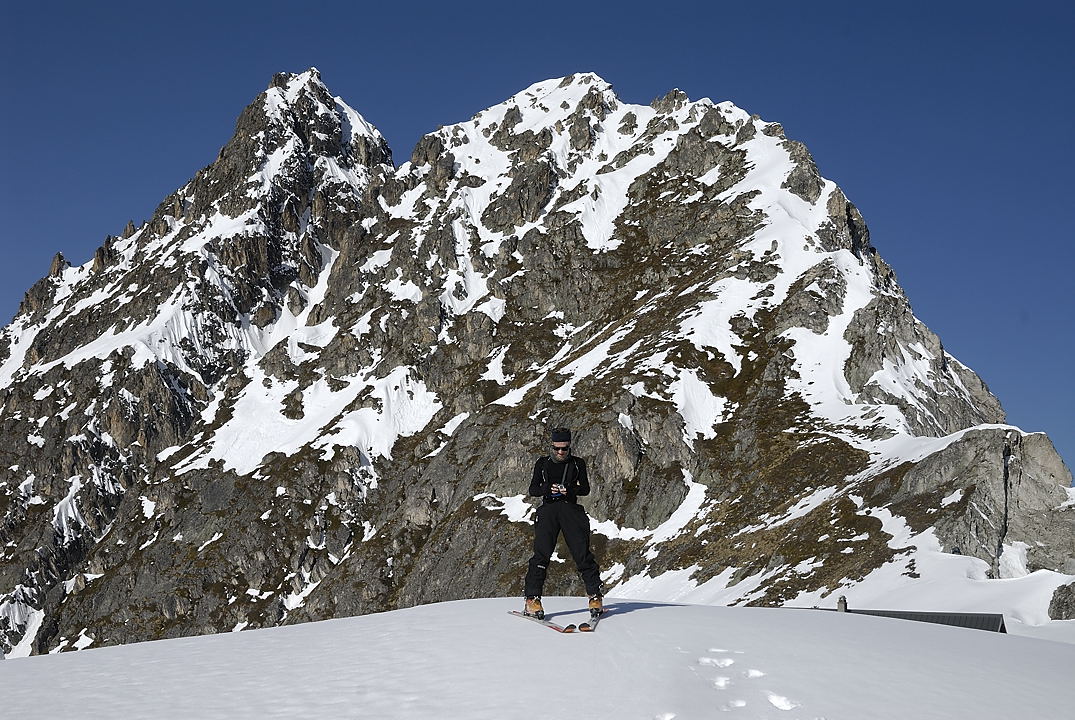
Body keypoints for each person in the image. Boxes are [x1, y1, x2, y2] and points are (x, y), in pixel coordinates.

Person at [523, 427, 603, 619]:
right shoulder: (542, 464)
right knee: (541, 555)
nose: (561, 452)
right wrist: (547, 489)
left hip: (570, 510)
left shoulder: (577, 464)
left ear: (569, 447)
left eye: (564, 449)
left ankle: (595, 596)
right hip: (548, 510)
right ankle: (532, 599)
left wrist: (569, 490)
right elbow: (533, 489)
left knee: (582, 553)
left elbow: (585, 489)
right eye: (557, 448)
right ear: (551, 446)